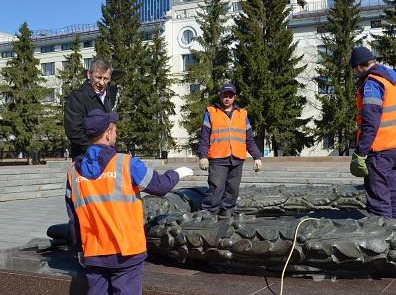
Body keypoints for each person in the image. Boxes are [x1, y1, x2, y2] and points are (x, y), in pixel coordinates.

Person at [65, 109, 194, 294]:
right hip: (126, 251)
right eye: (115, 130)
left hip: (93, 252)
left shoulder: (73, 172)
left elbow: (73, 218)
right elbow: (159, 186)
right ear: (108, 133)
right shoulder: (125, 163)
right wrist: (177, 173)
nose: (116, 134)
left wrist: (79, 250)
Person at [349, 46, 396, 219]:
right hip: (394, 147)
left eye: (354, 69)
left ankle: (383, 239)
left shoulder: (372, 83)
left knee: (379, 200)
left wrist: (361, 151)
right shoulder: (390, 79)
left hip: (378, 149)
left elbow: (370, 121)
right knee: (393, 194)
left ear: (359, 66)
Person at [197, 83, 262, 217]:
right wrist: (202, 156)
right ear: (220, 96)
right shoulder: (211, 112)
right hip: (218, 158)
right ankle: (209, 213)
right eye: (224, 96)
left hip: (236, 158)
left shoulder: (242, 114)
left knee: (233, 189)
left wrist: (257, 157)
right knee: (216, 187)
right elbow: (204, 136)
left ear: (234, 97)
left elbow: (249, 139)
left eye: (230, 96)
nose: (227, 99)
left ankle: (227, 212)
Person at [64, 57, 118, 159]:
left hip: (107, 157)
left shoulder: (110, 95)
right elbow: (74, 131)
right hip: (85, 159)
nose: (102, 83)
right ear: (89, 74)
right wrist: (96, 151)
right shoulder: (76, 97)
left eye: (105, 79)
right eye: (98, 77)